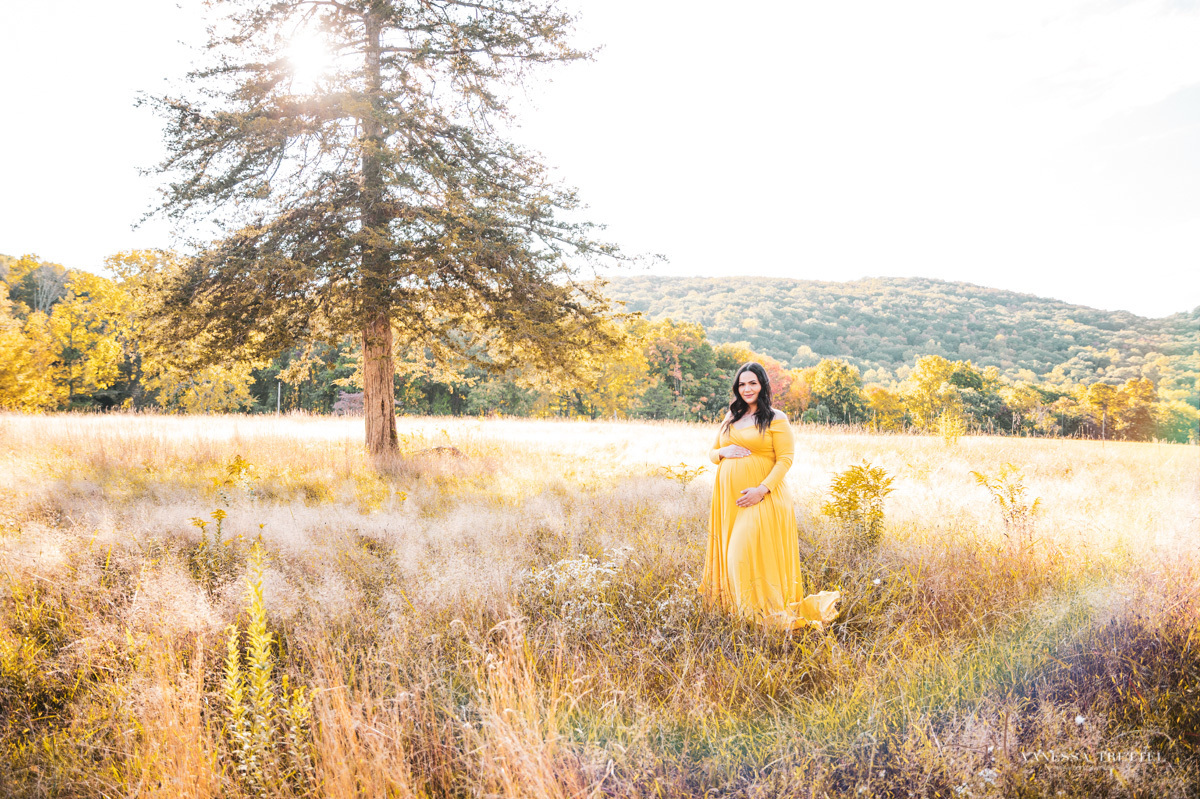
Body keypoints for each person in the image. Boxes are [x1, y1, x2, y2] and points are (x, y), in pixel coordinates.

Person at [701, 362, 839, 631]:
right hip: (729, 501)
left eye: (752, 383)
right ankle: (742, 616)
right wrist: (723, 453)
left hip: (764, 497)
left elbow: (786, 459)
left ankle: (759, 616)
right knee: (735, 554)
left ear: (762, 384)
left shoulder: (776, 418)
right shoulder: (731, 417)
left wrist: (761, 490)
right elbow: (711, 453)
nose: (747, 388)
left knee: (738, 554)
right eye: (742, 384)